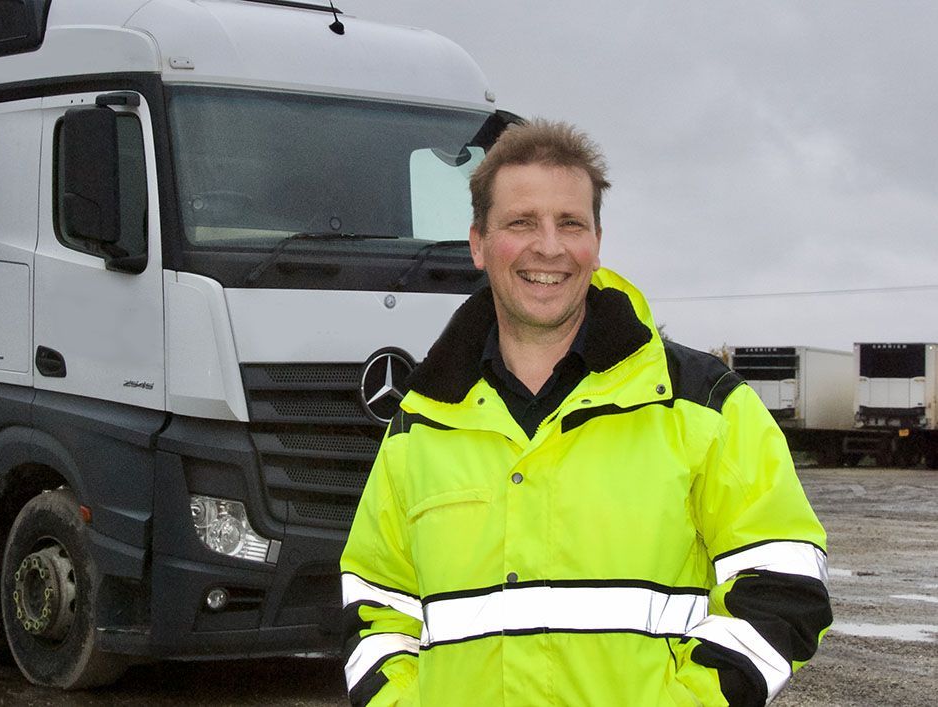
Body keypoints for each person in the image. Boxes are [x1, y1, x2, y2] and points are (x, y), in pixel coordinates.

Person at [339, 120, 831, 706]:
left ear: (596, 242)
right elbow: (375, 608)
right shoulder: (419, 425)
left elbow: (784, 589)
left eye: (570, 223)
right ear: (477, 243)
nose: (549, 247)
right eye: (522, 222)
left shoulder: (705, 407)